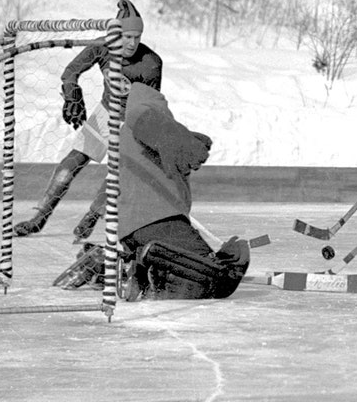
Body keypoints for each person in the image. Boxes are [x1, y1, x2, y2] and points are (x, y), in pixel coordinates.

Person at [53, 79, 247, 300]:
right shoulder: (145, 111)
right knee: (217, 279)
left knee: (176, 272)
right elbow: (151, 123)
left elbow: (113, 181)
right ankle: (130, 264)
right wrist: (186, 143)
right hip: (160, 221)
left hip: (132, 232)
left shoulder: (126, 136)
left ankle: (116, 266)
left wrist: (92, 214)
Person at [15, 0, 164, 239]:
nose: (132, 43)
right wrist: (71, 91)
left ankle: (92, 216)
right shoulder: (101, 47)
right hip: (106, 112)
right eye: (127, 36)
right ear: (116, 35)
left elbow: (151, 105)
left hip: (133, 120)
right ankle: (39, 217)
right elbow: (70, 71)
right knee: (72, 162)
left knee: (121, 171)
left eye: (137, 37)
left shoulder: (151, 64)